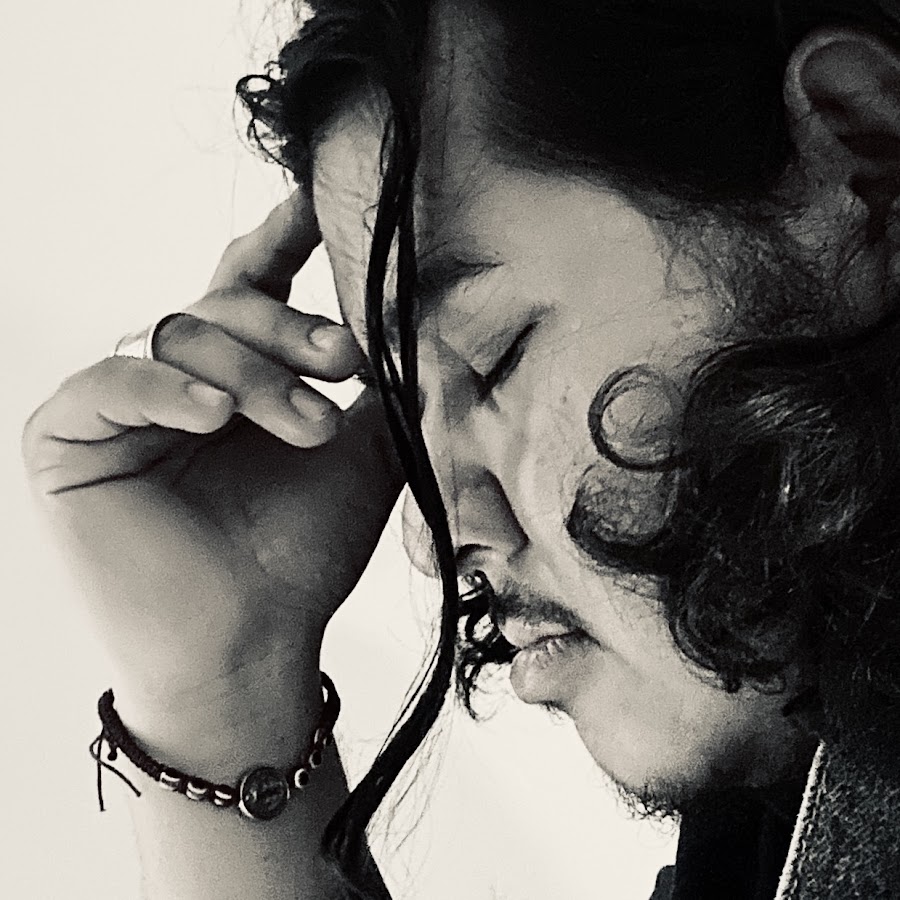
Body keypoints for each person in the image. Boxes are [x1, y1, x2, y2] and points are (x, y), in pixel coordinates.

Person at [21, 0, 900, 897]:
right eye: (406, 415)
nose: (439, 534)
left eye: (494, 356)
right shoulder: (772, 826)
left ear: (863, 161)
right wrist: (223, 691)